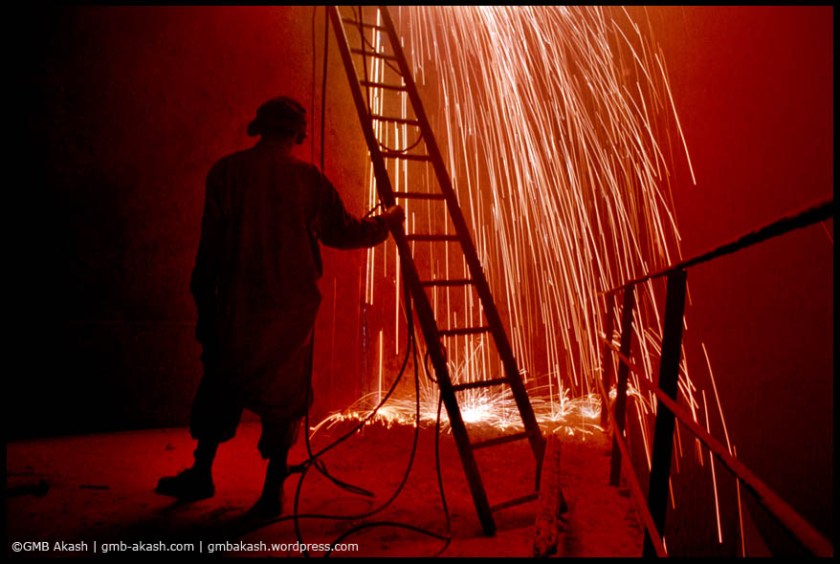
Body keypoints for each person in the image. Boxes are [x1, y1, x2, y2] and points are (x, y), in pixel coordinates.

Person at [155, 96, 404, 518]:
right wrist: (386, 223)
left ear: (261, 128)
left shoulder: (226, 173)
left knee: (221, 382)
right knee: (283, 397)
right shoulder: (307, 180)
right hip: (289, 310)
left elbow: (208, 252)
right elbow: (342, 232)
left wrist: (205, 306)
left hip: (235, 305)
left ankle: (202, 472)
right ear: (296, 134)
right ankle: (272, 492)